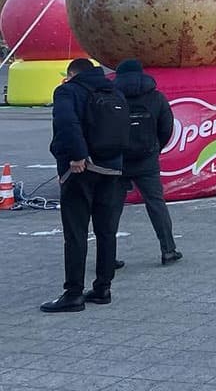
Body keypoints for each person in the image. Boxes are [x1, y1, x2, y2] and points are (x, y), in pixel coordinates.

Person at [41, 58, 127, 313]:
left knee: (76, 233)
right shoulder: (114, 91)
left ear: (71, 75)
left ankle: (73, 293)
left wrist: (77, 156)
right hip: (112, 168)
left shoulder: (68, 91)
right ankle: (103, 288)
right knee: (106, 231)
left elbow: (66, 124)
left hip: (81, 169)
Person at [113, 59, 182, 266]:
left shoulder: (111, 95)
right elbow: (167, 127)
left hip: (117, 161)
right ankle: (168, 250)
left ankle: (108, 256)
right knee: (156, 204)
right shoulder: (156, 97)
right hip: (147, 160)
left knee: (111, 208)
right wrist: (154, 148)